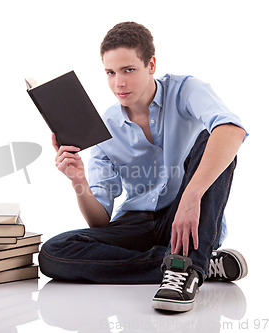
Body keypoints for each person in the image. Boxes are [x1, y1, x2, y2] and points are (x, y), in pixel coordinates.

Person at [38, 21, 248, 312]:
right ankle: (190, 264)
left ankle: (187, 264)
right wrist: (78, 180)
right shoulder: (105, 128)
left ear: (151, 65)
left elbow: (233, 131)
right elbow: (99, 222)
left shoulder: (185, 90)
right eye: (110, 73)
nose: (118, 83)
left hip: (188, 214)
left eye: (128, 70)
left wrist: (190, 198)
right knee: (53, 253)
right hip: (135, 224)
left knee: (214, 136)